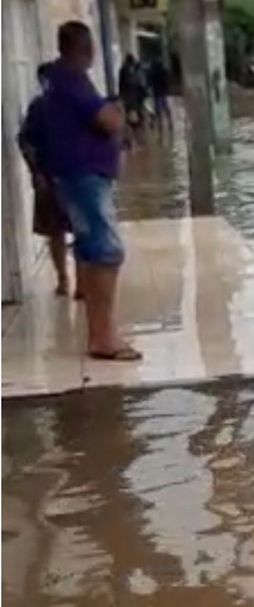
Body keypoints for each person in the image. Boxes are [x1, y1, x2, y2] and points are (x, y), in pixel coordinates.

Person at [37, 21, 137, 361]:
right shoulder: (71, 81)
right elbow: (108, 121)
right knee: (106, 251)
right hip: (83, 178)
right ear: (86, 49)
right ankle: (103, 337)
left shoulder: (58, 83)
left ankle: (101, 332)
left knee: (94, 252)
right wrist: (118, 117)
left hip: (75, 177)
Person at [17, 64, 76, 298]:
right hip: (55, 176)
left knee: (67, 230)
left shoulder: (68, 105)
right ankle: (65, 277)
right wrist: (36, 172)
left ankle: (72, 279)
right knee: (58, 230)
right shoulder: (40, 107)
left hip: (69, 175)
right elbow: (25, 141)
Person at [117, 53, 146, 138]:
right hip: (134, 95)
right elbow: (139, 83)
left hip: (130, 95)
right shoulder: (134, 69)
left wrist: (121, 95)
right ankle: (137, 129)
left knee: (130, 112)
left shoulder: (124, 70)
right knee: (136, 111)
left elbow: (121, 83)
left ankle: (134, 130)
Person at [146, 50, 172, 138]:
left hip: (156, 92)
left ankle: (160, 127)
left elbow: (149, 81)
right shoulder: (163, 70)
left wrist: (149, 88)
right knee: (166, 109)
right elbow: (166, 80)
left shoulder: (152, 71)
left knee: (159, 111)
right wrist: (166, 88)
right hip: (162, 92)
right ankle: (170, 123)